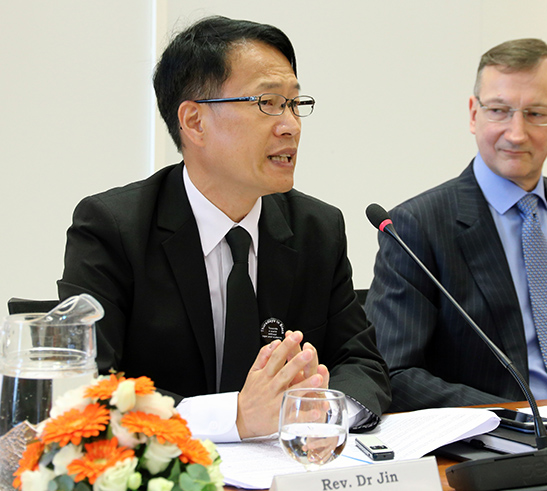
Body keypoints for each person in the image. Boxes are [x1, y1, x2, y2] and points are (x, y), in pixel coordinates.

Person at [58, 16, 391, 440]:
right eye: (268, 102)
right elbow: (91, 390)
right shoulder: (112, 229)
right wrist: (235, 416)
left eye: (294, 103)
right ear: (194, 122)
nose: (290, 124)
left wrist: (322, 410)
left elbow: (362, 364)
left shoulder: (316, 229)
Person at [365, 38, 547, 412]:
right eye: (499, 110)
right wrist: (514, 419)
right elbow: (394, 371)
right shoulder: (417, 225)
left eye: (536, 113)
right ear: (473, 114)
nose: (516, 133)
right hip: (500, 441)